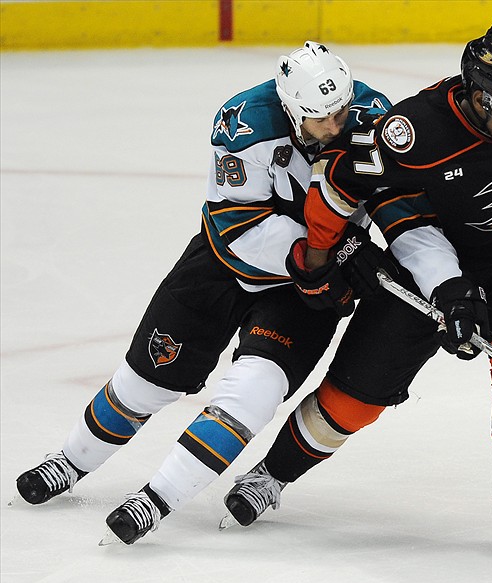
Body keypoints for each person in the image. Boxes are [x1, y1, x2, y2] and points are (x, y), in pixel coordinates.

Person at [14, 41, 390, 545]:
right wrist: (328, 253)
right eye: (321, 118)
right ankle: (70, 459)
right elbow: (240, 226)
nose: (336, 126)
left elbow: (397, 198)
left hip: (301, 295)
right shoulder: (245, 124)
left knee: (255, 390)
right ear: (291, 107)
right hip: (223, 268)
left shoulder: (374, 117)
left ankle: (157, 498)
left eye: (341, 111)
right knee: (145, 383)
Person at [222, 16, 492, 552]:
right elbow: (337, 179)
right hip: (435, 257)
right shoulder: (414, 132)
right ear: (479, 98)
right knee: (353, 397)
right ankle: (272, 474)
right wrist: (320, 254)